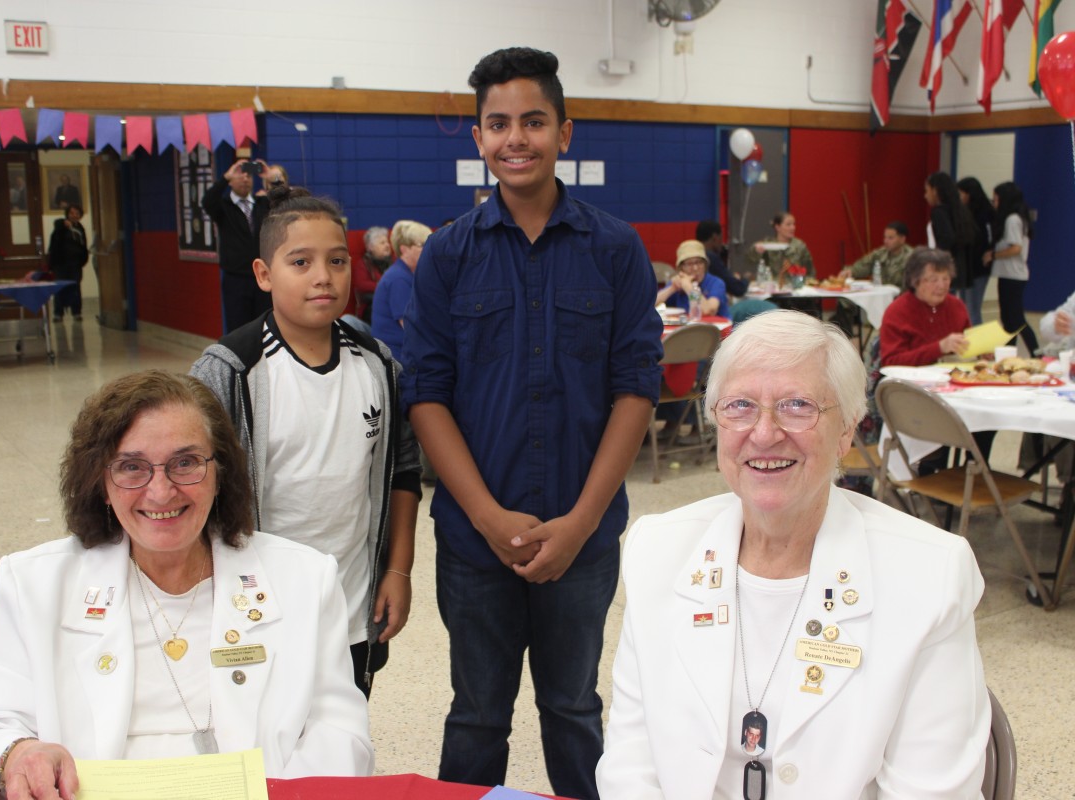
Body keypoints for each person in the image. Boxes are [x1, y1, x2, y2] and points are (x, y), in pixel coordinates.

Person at [401, 47, 663, 800]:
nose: (516, 138)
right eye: (499, 123)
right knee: (478, 716)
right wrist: (484, 516)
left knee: (574, 708)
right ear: (479, 138)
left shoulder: (614, 248)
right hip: (473, 542)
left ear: (565, 133)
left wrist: (580, 522)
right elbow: (428, 393)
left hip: (582, 538)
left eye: (534, 121)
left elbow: (635, 387)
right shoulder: (447, 255)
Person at [597, 310, 990, 799]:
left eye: (797, 405)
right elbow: (631, 767)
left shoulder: (930, 574)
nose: (763, 433)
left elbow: (933, 792)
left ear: (847, 429)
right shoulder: (658, 550)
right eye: (739, 405)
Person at [0, 370, 373, 799]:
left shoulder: (304, 579)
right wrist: (17, 754)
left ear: (219, 472)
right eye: (132, 467)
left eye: (185, 462)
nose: (161, 492)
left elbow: (341, 734)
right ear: (102, 484)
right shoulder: (33, 584)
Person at [191, 186, 421, 699]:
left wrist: (397, 570)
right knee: (264, 746)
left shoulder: (379, 366)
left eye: (337, 260)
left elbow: (403, 472)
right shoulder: (229, 371)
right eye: (301, 261)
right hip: (256, 611)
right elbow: (193, 492)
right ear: (263, 274)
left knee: (343, 738)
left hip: (352, 605)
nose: (324, 276)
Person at [202, 158, 285, 333]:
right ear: (231, 180)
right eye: (240, 175)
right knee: (239, 328)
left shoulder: (262, 203)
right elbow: (207, 201)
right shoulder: (224, 207)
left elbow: (285, 200)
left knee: (266, 326)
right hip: (236, 279)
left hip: (262, 277)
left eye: (248, 175)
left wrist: (271, 176)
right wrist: (225, 177)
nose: (245, 179)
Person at [879, 248, 970, 367]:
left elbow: (968, 347)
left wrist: (982, 352)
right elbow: (891, 362)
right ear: (915, 281)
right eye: (934, 280)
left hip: (954, 377)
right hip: (911, 381)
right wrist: (939, 348)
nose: (941, 286)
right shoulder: (897, 311)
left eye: (946, 278)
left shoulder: (957, 306)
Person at [986, 181, 1039, 355]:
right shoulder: (1016, 218)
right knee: (1008, 320)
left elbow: (1016, 248)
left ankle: (1037, 352)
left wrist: (993, 255)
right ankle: (1008, 353)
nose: (994, 203)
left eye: (996, 199)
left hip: (1013, 276)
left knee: (1016, 319)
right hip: (1010, 275)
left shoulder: (1012, 219)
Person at [370, 220, 431, 362]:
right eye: (422, 245)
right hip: (397, 358)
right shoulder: (399, 279)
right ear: (404, 249)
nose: (428, 250)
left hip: (402, 352)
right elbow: (411, 327)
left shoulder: (405, 274)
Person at [924, 172, 980, 301]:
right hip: (960, 270)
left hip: (943, 269)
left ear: (935, 191)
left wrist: (936, 264)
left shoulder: (939, 212)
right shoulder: (960, 211)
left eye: (927, 191)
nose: (925, 196)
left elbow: (946, 239)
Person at [957, 177, 995, 325]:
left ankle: (978, 345)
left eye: (961, 194)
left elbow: (987, 240)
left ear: (969, 194)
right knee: (964, 309)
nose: (959, 198)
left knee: (973, 310)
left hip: (978, 268)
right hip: (966, 267)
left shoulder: (985, 213)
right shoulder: (966, 212)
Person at [656, 239, 728, 318]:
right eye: (689, 263)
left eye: (699, 262)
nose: (695, 268)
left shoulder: (716, 283)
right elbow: (650, 305)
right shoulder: (680, 282)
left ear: (705, 264)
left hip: (714, 329)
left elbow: (708, 310)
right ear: (681, 268)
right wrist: (672, 288)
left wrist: (689, 287)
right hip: (688, 328)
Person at [839, 221, 911, 289]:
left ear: (902, 239)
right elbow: (863, 266)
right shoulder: (879, 254)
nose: (885, 241)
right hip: (880, 295)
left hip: (901, 297)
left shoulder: (912, 257)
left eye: (890, 238)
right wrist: (851, 271)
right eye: (885, 237)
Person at [48, 204, 89, 321]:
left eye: (77, 213)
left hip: (75, 264)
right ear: (67, 214)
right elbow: (58, 224)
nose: (74, 215)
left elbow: (83, 245)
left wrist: (83, 259)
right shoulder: (61, 225)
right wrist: (64, 225)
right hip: (60, 264)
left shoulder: (80, 228)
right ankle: (58, 313)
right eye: (72, 213)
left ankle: (76, 312)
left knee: (75, 288)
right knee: (60, 288)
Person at [745, 211, 815, 279]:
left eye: (794, 224)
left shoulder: (800, 246)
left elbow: (810, 271)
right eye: (788, 225)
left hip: (794, 286)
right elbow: (750, 259)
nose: (793, 228)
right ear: (777, 227)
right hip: (772, 286)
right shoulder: (768, 244)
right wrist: (756, 250)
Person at [696, 220, 748, 296]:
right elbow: (738, 288)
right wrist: (746, 280)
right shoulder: (711, 258)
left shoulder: (694, 255)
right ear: (715, 238)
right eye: (721, 238)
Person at [352, 226, 392, 322]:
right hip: (371, 309)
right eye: (382, 243)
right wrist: (384, 285)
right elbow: (361, 285)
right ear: (370, 247)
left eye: (387, 242)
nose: (387, 245)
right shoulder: (363, 264)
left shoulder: (394, 261)